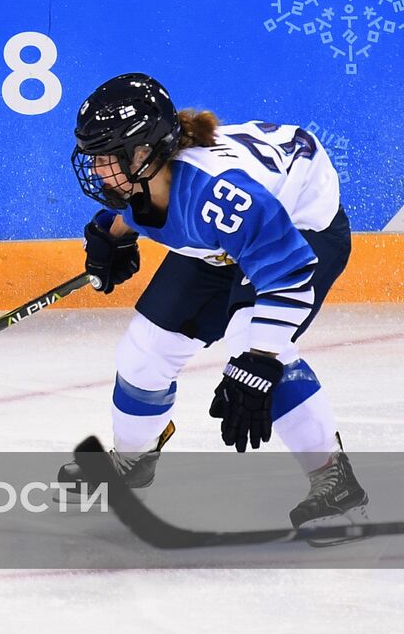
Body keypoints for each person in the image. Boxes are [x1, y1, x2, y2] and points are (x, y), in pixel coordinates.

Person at [59, 72, 366, 542]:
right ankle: (134, 462)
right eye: (94, 157)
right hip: (226, 240)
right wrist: (111, 237)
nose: (99, 170)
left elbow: (287, 275)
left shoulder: (217, 193)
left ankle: (335, 480)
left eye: (107, 158)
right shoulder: (145, 176)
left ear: (143, 153)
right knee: (144, 351)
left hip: (300, 228)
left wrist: (261, 359)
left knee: (255, 346)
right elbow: (140, 205)